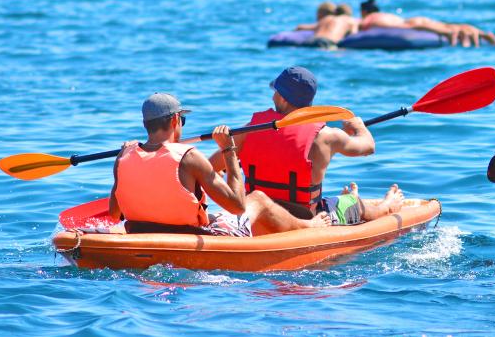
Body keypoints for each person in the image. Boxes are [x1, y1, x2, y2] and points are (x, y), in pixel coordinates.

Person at [210, 66, 404, 233]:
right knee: (354, 204)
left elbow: (211, 168)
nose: (272, 96)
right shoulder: (327, 136)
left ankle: (365, 201)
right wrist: (359, 126)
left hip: (257, 215)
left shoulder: (250, 130)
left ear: (284, 99)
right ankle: (386, 207)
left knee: (344, 201)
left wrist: (231, 193)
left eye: (275, 91)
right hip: (306, 216)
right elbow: (368, 147)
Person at [108, 93, 325, 236]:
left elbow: (115, 213)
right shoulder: (189, 157)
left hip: (139, 231)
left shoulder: (124, 156)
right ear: (175, 120)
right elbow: (237, 206)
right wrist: (229, 151)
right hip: (188, 237)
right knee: (257, 199)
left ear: (146, 124)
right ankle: (309, 226)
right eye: (182, 121)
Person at [359, 0, 495, 47]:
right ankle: (482, 34)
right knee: (448, 25)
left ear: (364, 11)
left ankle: (449, 34)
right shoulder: (385, 14)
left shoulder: (369, 18)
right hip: (414, 19)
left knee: (444, 28)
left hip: (411, 24)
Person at [294, 2, 359, 50]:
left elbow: (300, 27)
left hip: (311, 40)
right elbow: (353, 36)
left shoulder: (327, 18)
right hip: (327, 43)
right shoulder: (351, 21)